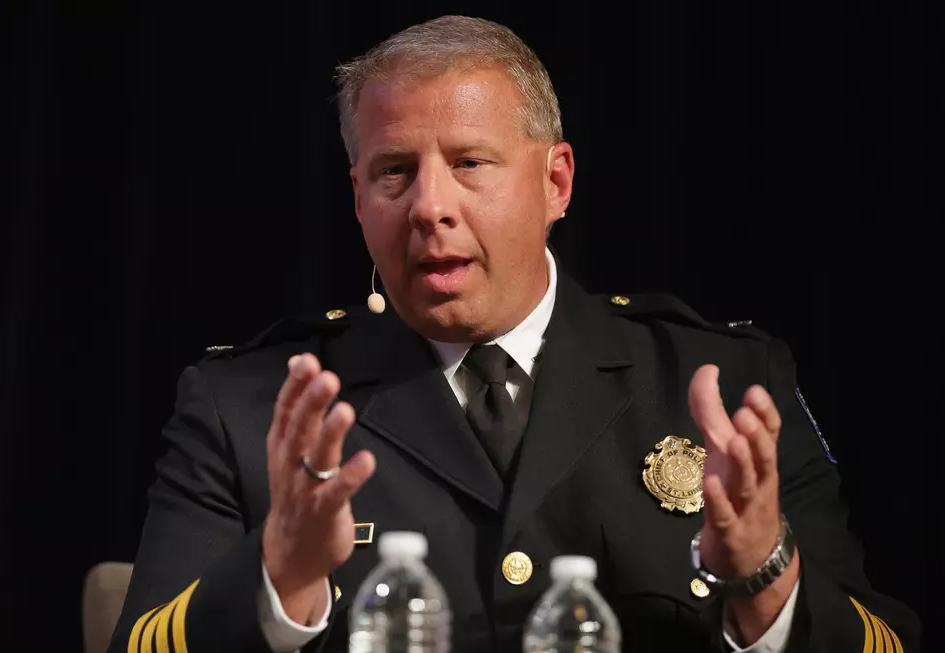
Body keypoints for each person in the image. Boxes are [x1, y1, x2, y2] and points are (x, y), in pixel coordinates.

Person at [108, 15, 919, 653]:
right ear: (357, 197)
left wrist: (764, 580)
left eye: (469, 162)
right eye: (394, 171)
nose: (430, 205)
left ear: (556, 181)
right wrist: (278, 577)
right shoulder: (247, 404)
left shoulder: (724, 385)